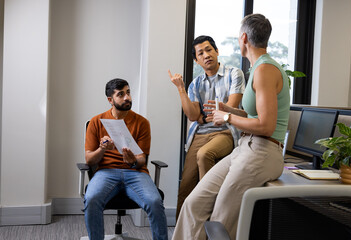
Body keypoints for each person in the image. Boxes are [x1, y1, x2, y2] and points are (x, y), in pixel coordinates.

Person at [172, 13, 290, 240]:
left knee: (220, 220)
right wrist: (230, 110)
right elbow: (253, 115)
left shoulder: (265, 70)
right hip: (246, 147)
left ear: (243, 38)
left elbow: (266, 125)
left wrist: (226, 119)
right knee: (193, 204)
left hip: (263, 151)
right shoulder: (257, 68)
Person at [168, 35, 245, 220]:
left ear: (217, 51)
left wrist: (213, 115)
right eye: (200, 53)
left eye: (209, 49)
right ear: (196, 60)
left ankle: (207, 218)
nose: (206, 55)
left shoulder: (234, 73)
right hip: (200, 134)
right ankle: (182, 233)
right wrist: (181, 89)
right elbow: (193, 116)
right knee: (185, 186)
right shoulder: (196, 83)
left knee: (205, 154)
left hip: (226, 132)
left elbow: (230, 108)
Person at [84, 78, 168, 240]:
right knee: (92, 199)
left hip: (136, 173)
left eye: (128, 92)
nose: (127, 97)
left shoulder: (142, 123)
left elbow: (142, 159)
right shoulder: (96, 122)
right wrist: (102, 149)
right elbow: (89, 160)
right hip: (106, 172)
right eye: (120, 94)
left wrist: (133, 161)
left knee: (155, 202)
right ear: (110, 100)